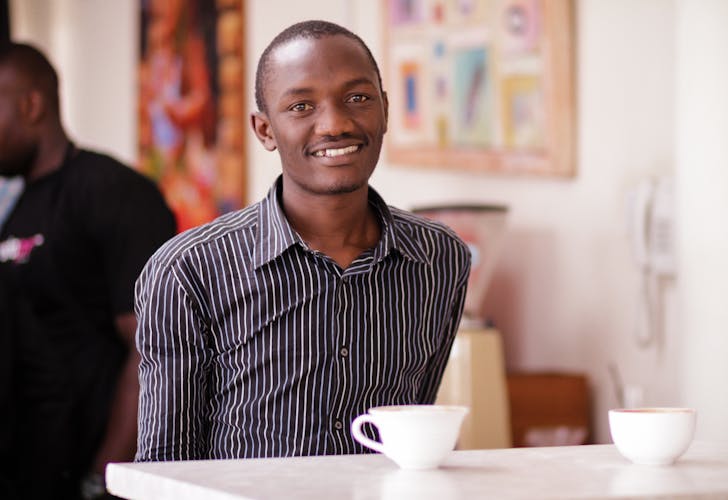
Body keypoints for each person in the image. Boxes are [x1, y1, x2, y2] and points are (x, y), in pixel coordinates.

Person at [135, 20, 471, 462]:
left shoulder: (438, 258)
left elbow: (412, 425)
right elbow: (165, 466)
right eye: (301, 106)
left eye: (358, 98)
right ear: (265, 130)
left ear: (385, 109)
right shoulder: (187, 271)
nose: (334, 124)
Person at [0, 43, 176, 499]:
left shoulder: (112, 192)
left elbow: (153, 348)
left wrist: (104, 475)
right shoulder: (20, 203)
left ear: (30, 104)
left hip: (91, 471)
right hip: (34, 467)